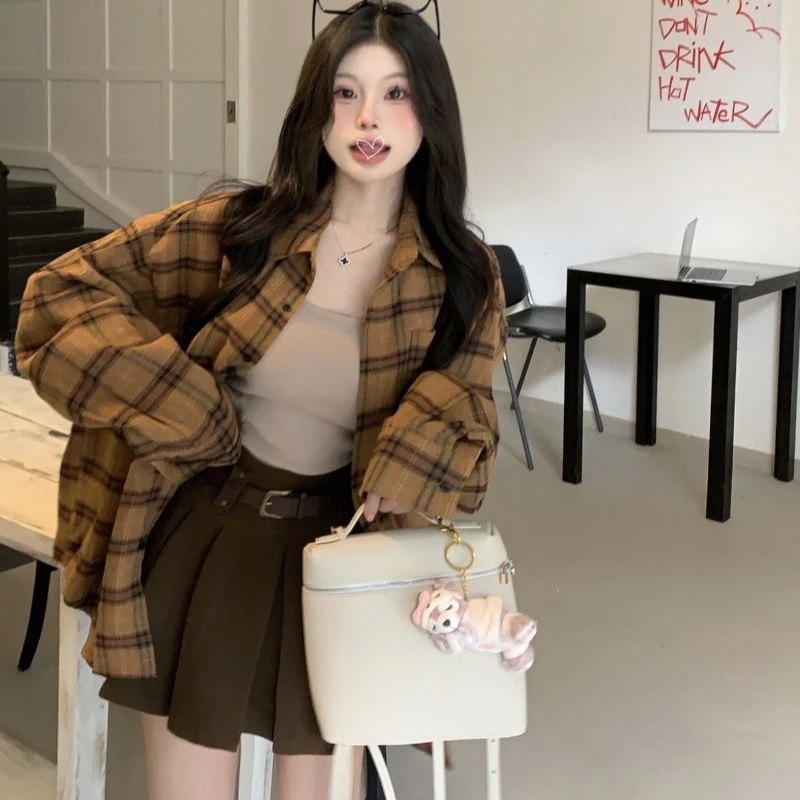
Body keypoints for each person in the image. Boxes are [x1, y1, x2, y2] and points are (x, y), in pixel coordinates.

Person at [13, 2, 507, 798]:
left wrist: (410, 457)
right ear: (317, 109)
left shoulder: (462, 275)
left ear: (431, 113)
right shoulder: (239, 229)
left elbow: (470, 410)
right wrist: (183, 406)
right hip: (210, 543)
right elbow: (57, 295)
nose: (369, 118)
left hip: (342, 560)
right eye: (346, 92)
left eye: (397, 93)